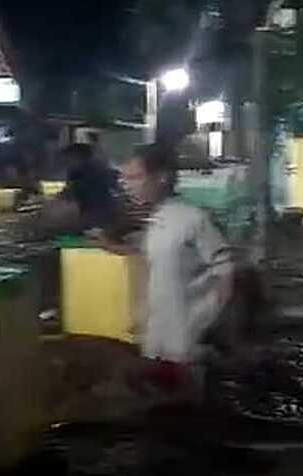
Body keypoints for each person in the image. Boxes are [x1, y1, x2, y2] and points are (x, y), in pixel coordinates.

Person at [104, 144, 236, 395]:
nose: (127, 184)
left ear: (162, 177)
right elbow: (156, 265)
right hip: (158, 337)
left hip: (187, 343)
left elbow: (225, 272)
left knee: (188, 410)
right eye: (125, 178)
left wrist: (203, 323)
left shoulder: (193, 219)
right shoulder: (155, 219)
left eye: (135, 177)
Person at [57, 143, 122, 231]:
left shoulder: (83, 172)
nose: (66, 162)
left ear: (77, 156)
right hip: (107, 212)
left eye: (68, 159)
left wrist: (59, 198)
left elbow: (70, 193)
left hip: (95, 214)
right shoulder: (100, 167)